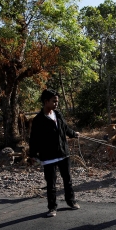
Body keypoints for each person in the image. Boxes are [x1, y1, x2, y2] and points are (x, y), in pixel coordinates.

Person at [29, 89, 80, 217]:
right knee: (51, 183)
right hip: (48, 156)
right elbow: (34, 139)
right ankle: (52, 208)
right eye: (54, 101)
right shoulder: (38, 120)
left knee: (67, 180)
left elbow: (65, 128)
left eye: (57, 101)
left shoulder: (58, 114)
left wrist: (74, 134)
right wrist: (32, 155)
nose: (56, 104)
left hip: (63, 153)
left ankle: (71, 202)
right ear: (46, 101)